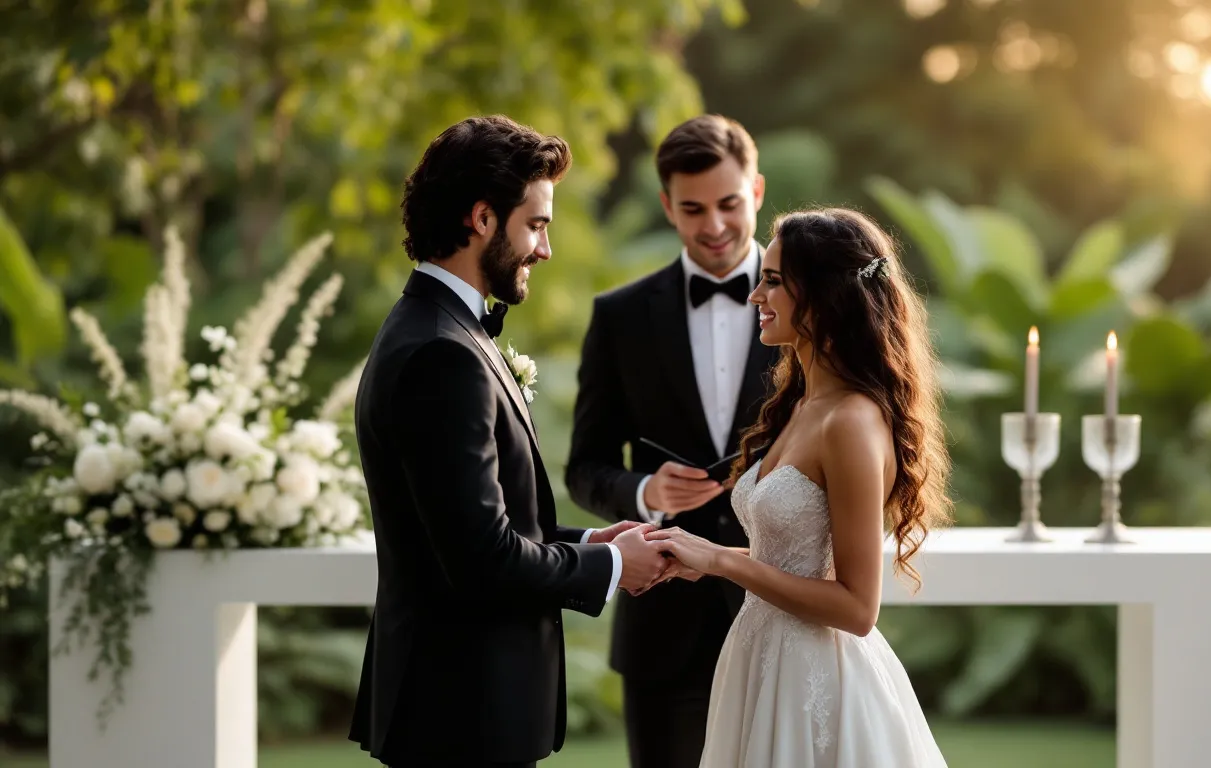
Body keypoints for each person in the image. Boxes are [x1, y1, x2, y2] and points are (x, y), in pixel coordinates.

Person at [348, 115, 669, 768]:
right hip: (460, 715)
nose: (544, 249)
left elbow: (483, 525)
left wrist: (587, 541)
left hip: (462, 709)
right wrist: (611, 568)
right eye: (537, 224)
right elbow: (480, 561)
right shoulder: (441, 354)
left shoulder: (438, 331)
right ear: (483, 219)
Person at [647, 207, 953, 767]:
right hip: (759, 657)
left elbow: (859, 607)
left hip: (816, 682)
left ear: (826, 293)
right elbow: (797, 559)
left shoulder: (852, 422)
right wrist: (703, 558)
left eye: (773, 280)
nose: (754, 295)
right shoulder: (804, 405)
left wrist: (721, 561)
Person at [564, 114, 778, 768]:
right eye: (692, 209)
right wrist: (642, 490)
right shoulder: (620, 316)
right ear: (666, 206)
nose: (713, 225)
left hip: (780, 608)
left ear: (758, 192)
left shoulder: (815, 305)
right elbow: (584, 467)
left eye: (729, 204)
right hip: (662, 627)